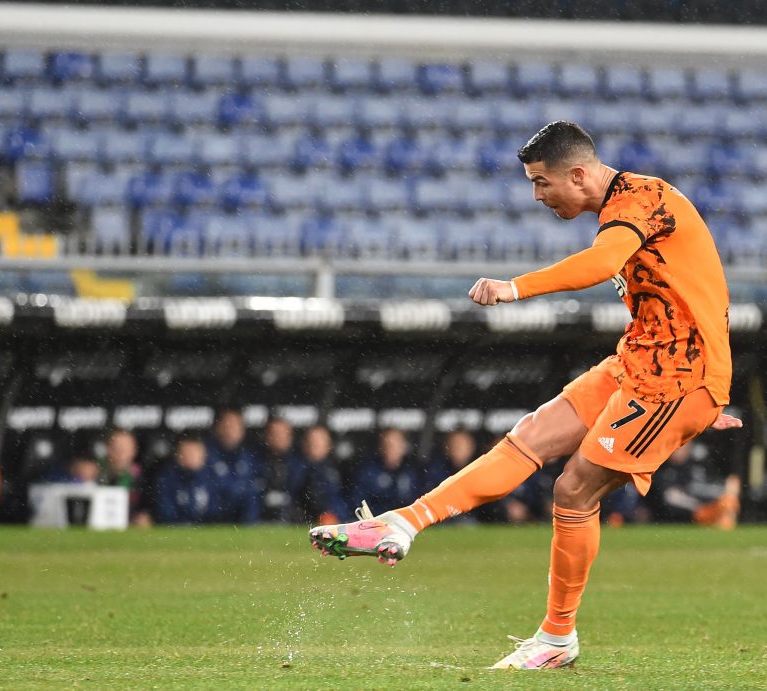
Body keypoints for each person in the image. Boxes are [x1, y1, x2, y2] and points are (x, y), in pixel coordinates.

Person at [310, 121, 742, 670]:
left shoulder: (642, 200)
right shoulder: (631, 205)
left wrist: (516, 287)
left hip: (679, 378)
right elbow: (699, 289)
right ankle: (402, 523)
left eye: (541, 183)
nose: (536, 196)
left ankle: (557, 639)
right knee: (531, 435)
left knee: (573, 492)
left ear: (579, 174)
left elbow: (603, 264)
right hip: (642, 361)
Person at [644, 441, 741, 529]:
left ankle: (722, 519)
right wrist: (699, 507)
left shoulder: (697, 464)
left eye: (683, 446)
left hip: (710, 504)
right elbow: (670, 497)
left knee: (729, 494)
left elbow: (713, 484)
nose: (679, 450)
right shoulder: (664, 469)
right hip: (687, 514)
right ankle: (716, 519)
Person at [205, 408, 259, 524]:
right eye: (226, 425)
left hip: (246, 524)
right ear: (217, 428)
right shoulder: (205, 456)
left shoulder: (250, 458)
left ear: (242, 430)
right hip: (210, 522)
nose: (230, 430)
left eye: (234, 426)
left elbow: (253, 494)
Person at [153, 434, 222, 524]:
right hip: (175, 530)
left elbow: (218, 510)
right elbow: (165, 512)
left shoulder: (212, 477)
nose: (191, 456)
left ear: (204, 455)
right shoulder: (167, 477)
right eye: (187, 452)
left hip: (206, 529)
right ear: (177, 455)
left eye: (195, 452)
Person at [348, 428, 420, 512]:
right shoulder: (369, 471)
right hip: (376, 519)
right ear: (381, 447)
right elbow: (359, 502)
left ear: (404, 447)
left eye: (396, 445)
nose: (391, 449)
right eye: (388, 445)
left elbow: (419, 501)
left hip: (406, 519)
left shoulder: (412, 470)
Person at [288, 424, 346, 525]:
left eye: (319, 440)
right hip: (300, 519)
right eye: (311, 440)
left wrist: (333, 515)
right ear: (304, 444)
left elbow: (346, 499)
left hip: (334, 519)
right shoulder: (293, 467)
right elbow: (291, 497)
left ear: (328, 444)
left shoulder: (341, 468)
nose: (314, 443)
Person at [255, 416, 299, 522]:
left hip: (293, 521)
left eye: (281, 434)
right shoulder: (255, 462)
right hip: (259, 521)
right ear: (266, 436)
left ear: (290, 436)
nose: (277, 437)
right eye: (273, 433)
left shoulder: (300, 464)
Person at [99, 427, 146, 525]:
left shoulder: (143, 476)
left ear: (134, 450)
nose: (121, 452)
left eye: (125, 447)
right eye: (117, 447)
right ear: (108, 448)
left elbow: (147, 510)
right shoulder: (94, 473)